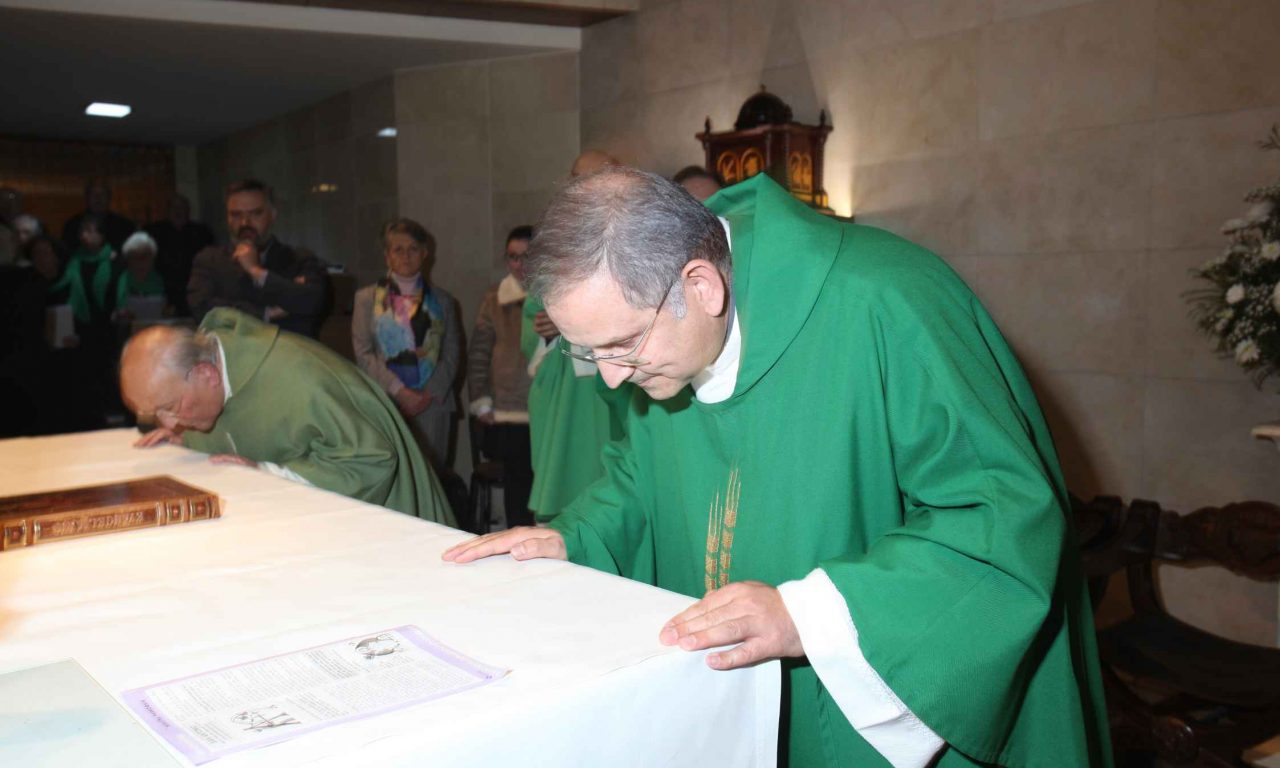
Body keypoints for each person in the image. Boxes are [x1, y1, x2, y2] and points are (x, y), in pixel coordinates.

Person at [444, 168, 1111, 767]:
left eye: (621, 346)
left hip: (873, 700)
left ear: (701, 286)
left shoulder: (887, 301)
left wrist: (809, 614)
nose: (612, 380)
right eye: (590, 353)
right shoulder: (660, 335)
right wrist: (573, 539)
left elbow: (1001, 516)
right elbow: (640, 476)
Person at [121, 307, 455, 525]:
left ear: (206, 375)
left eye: (171, 407)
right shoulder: (218, 365)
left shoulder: (301, 381)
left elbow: (370, 460)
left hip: (398, 521)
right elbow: (240, 422)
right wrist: (189, 438)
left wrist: (268, 473)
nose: (169, 422)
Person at [519, 150, 631, 522]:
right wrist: (550, 327)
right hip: (565, 392)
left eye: (596, 177)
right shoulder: (554, 241)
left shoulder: (631, 235)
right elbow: (533, 314)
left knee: (615, 484)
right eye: (578, 178)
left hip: (617, 384)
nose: (584, 186)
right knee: (565, 488)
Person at [352, 218, 461, 471]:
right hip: (387, 401)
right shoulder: (365, 299)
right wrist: (400, 390)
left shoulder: (444, 301)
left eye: (413, 249)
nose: (406, 256)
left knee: (433, 478)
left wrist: (427, 394)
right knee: (394, 475)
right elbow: (363, 353)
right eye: (398, 249)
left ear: (425, 254)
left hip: (433, 403)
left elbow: (452, 353)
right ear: (387, 256)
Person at [188, 179, 327, 337]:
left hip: (288, 348)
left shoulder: (299, 259)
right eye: (236, 215)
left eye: (255, 213)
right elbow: (201, 309)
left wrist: (257, 272)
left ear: (272, 215)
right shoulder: (209, 260)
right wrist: (265, 313)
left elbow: (312, 303)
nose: (245, 223)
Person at [467, 226, 535, 527]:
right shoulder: (494, 298)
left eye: (526, 257)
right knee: (518, 490)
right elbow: (479, 354)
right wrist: (481, 401)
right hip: (509, 411)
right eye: (512, 257)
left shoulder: (555, 295)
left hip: (547, 409)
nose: (519, 264)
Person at [147, 194, 215, 316]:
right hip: (162, 290)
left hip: (194, 289)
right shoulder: (154, 232)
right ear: (167, 210)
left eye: (182, 208)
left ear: (188, 211)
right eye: (174, 208)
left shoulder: (202, 233)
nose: (178, 212)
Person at [60, 179, 136, 254]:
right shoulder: (73, 225)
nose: (98, 198)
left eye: (102, 194)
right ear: (86, 198)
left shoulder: (124, 225)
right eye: (93, 194)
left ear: (109, 198)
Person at [113, 232, 169, 324]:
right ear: (128, 259)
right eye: (136, 257)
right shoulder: (123, 279)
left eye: (145, 256)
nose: (141, 262)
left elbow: (164, 308)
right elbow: (120, 309)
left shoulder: (158, 279)